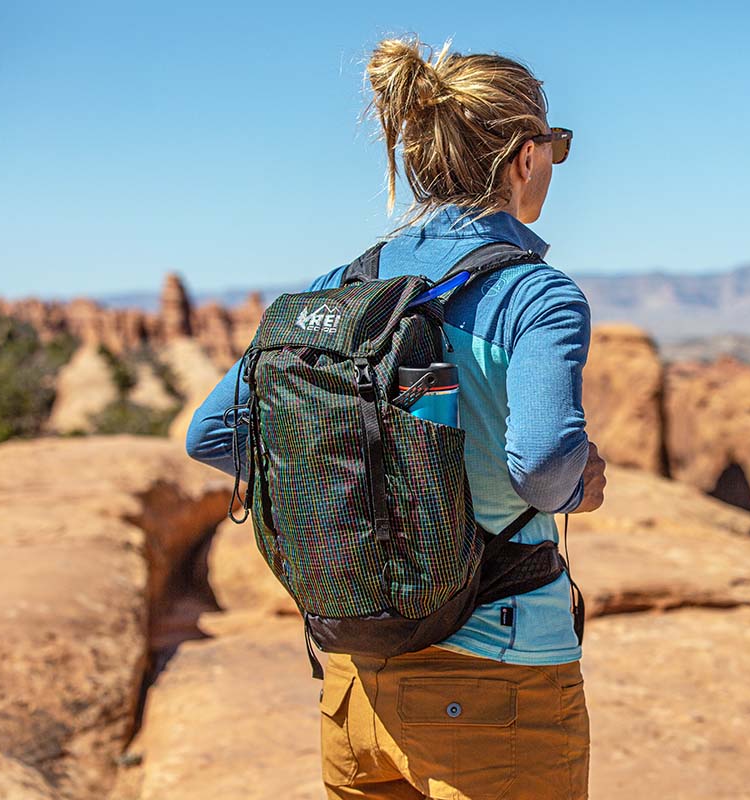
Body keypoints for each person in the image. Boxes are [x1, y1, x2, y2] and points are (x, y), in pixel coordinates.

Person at [185, 34, 606, 800]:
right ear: (523, 157)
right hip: (496, 682)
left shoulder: (335, 290)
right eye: (555, 146)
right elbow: (543, 469)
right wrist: (582, 485)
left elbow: (213, 433)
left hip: (354, 679)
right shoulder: (537, 296)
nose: (553, 164)